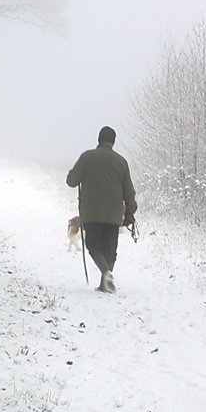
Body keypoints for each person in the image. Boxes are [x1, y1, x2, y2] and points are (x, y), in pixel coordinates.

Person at [66, 126, 137, 294]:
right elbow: (129, 190)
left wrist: (72, 174)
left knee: (93, 245)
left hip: (91, 213)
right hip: (113, 214)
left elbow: (71, 181)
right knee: (110, 249)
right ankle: (106, 283)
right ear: (113, 141)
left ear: (99, 139)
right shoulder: (121, 162)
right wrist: (130, 211)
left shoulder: (87, 157)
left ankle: (106, 275)